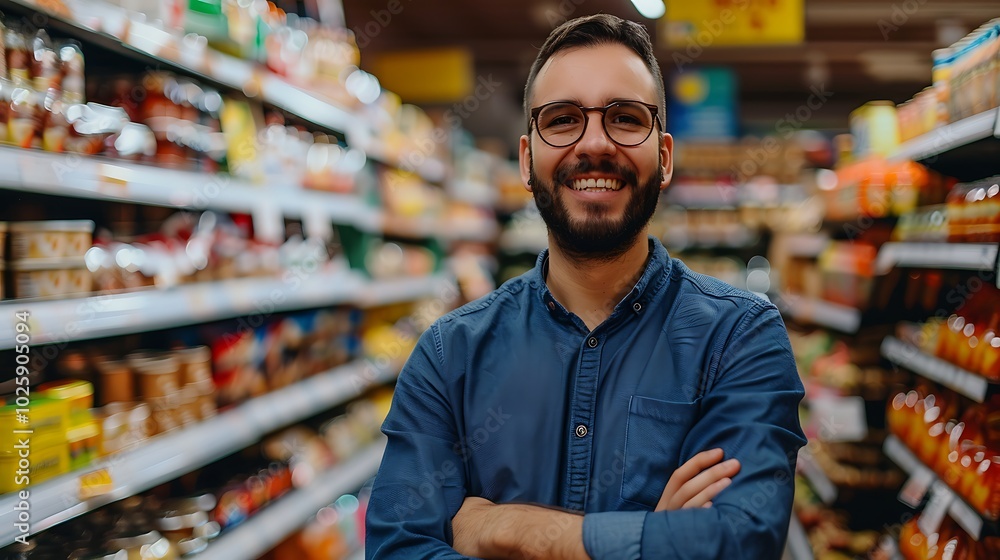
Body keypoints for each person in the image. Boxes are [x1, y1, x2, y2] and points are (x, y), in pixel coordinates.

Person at [365, 13, 806, 560]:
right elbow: (397, 550)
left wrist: (508, 528)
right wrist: (648, 539)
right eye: (562, 119)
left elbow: (739, 541)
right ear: (527, 159)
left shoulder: (739, 338)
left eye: (624, 118)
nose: (594, 143)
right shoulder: (448, 354)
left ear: (663, 158)